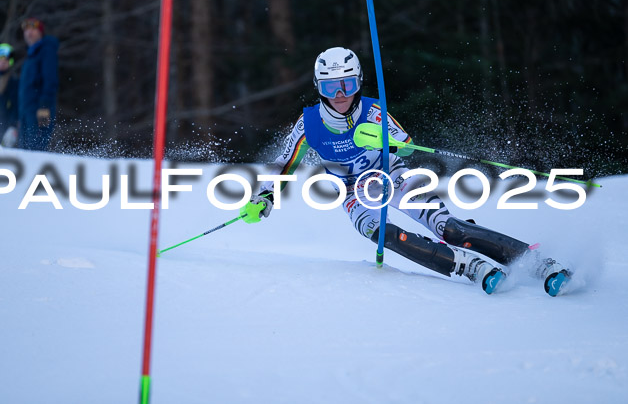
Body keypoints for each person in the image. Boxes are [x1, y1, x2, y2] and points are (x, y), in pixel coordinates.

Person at [240, 47, 570, 296]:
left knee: (450, 228)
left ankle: (536, 262)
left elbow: (408, 145)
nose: (340, 95)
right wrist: (265, 196)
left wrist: (384, 140)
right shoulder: (308, 123)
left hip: (392, 178)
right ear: (318, 88)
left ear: (358, 82)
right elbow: (282, 164)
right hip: (353, 193)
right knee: (379, 233)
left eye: (347, 84)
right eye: (330, 88)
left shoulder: (373, 111)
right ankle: (467, 267)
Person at [18, 17, 59, 151]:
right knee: (24, 149)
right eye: (27, 30)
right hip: (26, 111)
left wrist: (45, 106)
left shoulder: (46, 50)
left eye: (33, 29)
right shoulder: (31, 56)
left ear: (40, 32)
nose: (29, 33)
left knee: (37, 149)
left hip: (39, 109)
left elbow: (50, 78)